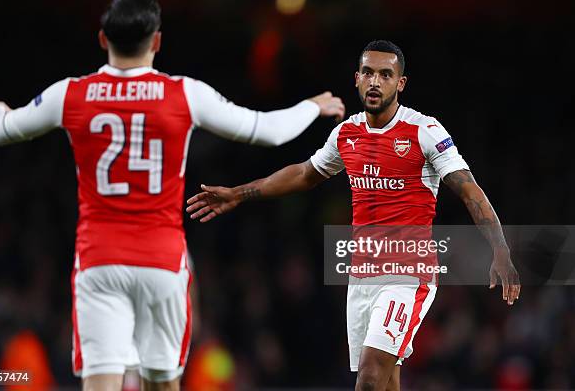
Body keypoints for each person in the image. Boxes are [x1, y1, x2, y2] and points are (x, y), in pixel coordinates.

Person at [0, 0, 345, 391]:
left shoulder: (70, 93)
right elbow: (268, 131)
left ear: (103, 39)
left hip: (99, 260)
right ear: (156, 41)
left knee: (101, 383)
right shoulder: (183, 94)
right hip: (163, 261)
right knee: (163, 383)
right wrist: (312, 106)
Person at [186, 40, 521, 391]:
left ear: (400, 83)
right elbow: (304, 174)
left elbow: (469, 190)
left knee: (370, 375)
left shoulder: (425, 131)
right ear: (357, 79)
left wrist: (499, 249)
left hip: (408, 275)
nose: (375, 82)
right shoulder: (347, 134)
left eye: (386, 75)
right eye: (369, 73)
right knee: (386, 379)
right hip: (361, 277)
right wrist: (239, 194)